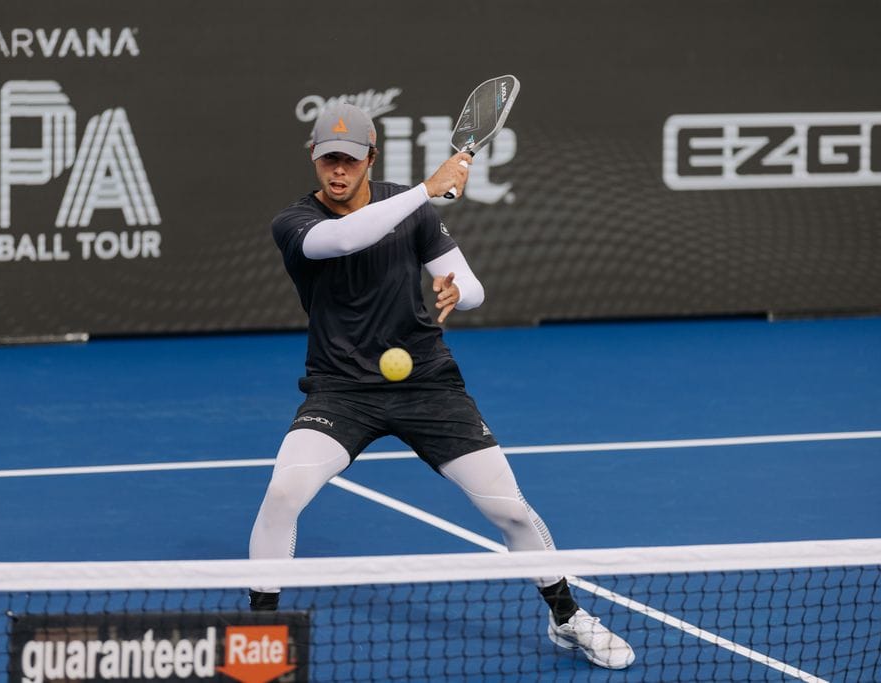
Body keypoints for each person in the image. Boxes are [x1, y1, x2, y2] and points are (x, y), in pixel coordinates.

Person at [248, 103, 634, 670]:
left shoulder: (414, 208)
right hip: (341, 389)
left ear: (369, 159)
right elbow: (343, 240)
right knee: (282, 494)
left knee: (512, 514)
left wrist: (458, 294)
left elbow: (470, 286)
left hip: (426, 382)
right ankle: (260, 635)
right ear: (313, 157)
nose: (338, 171)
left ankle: (567, 618)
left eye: (350, 160)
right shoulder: (296, 224)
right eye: (328, 159)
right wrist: (427, 189)